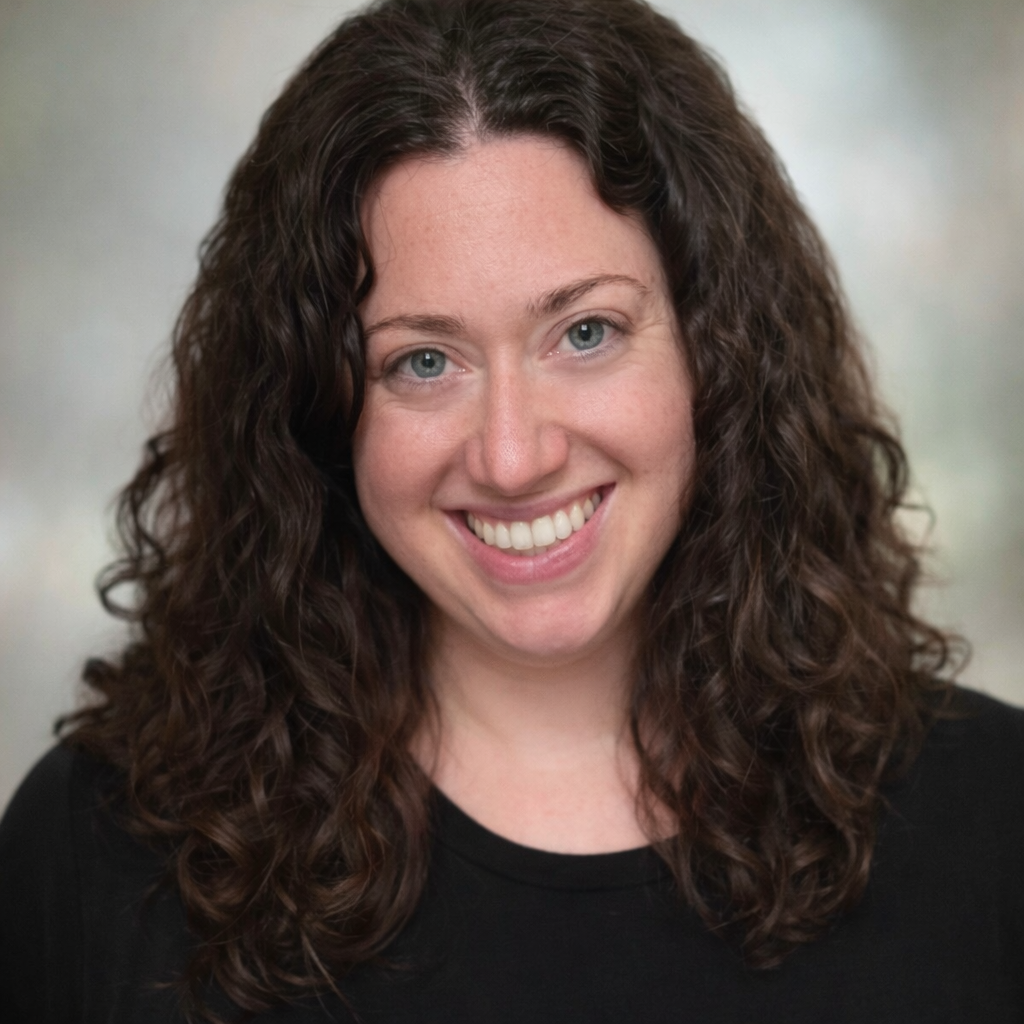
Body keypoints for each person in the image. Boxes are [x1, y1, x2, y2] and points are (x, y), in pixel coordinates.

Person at [1, 0, 1022, 1020]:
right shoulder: (100, 853)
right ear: (313, 408)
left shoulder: (995, 824)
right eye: (423, 361)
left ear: (720, 350)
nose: (512, 454)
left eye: (584, 332)